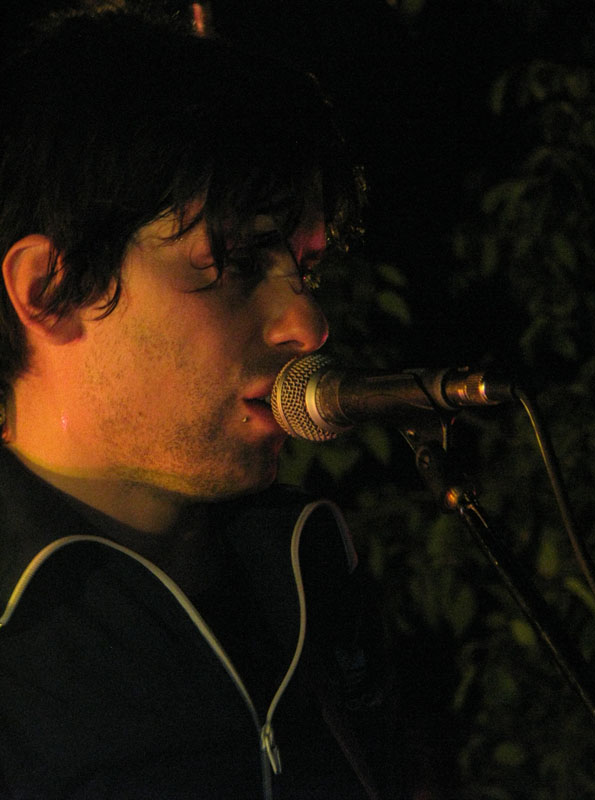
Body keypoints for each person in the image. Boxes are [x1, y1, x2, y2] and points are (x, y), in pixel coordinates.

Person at [0, 4, 400, 798]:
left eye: (306, 269)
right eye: (238, 265)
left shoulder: (311, 564)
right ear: (50, 290)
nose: (307, 324)